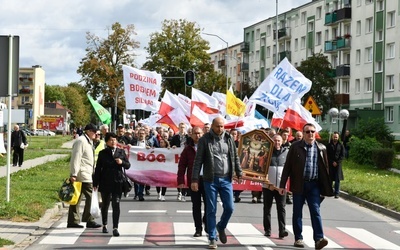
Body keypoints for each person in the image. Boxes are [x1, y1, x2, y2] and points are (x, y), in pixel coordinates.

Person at [279, 123, 333, 249]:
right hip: (299, 184)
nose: (310, 134)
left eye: (312, 131)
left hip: (314, 185)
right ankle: (298, 238)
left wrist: (325, 188)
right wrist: (282, 185)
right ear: (303, 134)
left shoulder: (321, 148)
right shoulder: (295, 147)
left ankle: (319, 239)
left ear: (315, 133)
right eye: (307, 132)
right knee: (297, 212)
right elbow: (287, 167)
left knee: (315, 211)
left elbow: (326, 170)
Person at [191, 117, 243, 249]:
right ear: (212, 126)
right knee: (211, 209)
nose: (220, 129)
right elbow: (198, 161)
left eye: (222, 126)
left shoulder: (229, 138)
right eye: (218, 126)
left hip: (226, 179)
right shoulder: (205, 140)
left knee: (230, 207)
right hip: (210, 180)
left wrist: (239, 171)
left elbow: (234, 156)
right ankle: (212, 238)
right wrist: (194, 179)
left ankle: (221, 226)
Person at [93, 132, 131, 237]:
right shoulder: (102, 153)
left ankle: (115, 227)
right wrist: (95, 182)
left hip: (118, 182)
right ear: (107, 142)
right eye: (111, 140)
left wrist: (122, 162)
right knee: (105, 204)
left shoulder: (121, 152)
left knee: (116, 204)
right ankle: (105, 224)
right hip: (105, 182)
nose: (113, 142)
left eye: (115, 140)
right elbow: (98, 169)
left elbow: (128, 165)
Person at [67, 123, 102, 229]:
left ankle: (73, 221)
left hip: (87, 173)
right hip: (82, 174)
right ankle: (89, 219)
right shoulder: (81, 141)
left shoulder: (88, 141)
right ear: (89, 131)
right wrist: (73, 174)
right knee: (91, 196)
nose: (96, 135)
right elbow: (76, 158)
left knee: (77, 198)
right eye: (95, 132)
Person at [178, 126, 207, 237]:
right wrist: (180, 180)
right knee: (196, 205)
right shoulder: (188, 149)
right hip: (194, 180)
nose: (197, 136)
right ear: (191, 135)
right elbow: (182, 165)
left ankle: (206, 222)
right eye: (195, 133)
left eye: (199, 133)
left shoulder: (207, 146)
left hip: (207, 179)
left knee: (209, 204)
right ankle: (198, 228)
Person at [263, 134, 289, 238]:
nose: (277, 143)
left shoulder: (286, 153)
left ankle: (282, 230)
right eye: (275, 141)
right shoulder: (266, 153)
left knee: (281, 209)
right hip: (268, 186)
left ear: (282, 141)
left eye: (278, 141)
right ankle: (267, 230)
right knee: (267, 209)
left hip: (281, 187)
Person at [171, 122, 190, 201]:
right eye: (181, 127)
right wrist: (173, 146)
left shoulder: (188, 137)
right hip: (177, 158)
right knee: (179, 175)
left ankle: (184, 193)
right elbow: (171, 145)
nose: (182, 129)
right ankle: (179, 192)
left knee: (186, 175)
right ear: (178, 128)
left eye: (183, 127)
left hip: (187, 158)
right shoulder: (175, 137)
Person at [327, 132, 345, 199]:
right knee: (330, 179)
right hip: (331, 164)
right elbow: (327, 155)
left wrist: (337, 162)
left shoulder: (341, 145)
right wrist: (332, 162)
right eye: (334, 137)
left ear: (338, 137)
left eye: (336, 137)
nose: (335, 138)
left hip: (338, 164)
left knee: (337, 179)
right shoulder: (329, 145)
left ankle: (336, 193)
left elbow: (342, 155)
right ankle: (330, 191)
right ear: (332, 137)